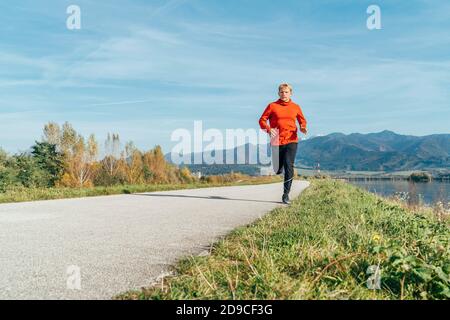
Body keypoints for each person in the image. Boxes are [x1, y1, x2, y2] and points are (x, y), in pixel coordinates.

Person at [258, 83, 307, 204]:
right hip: (276, 140)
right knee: (277, 168)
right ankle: (278, 169)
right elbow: (262, 120)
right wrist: (269, 129)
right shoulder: (272, 106)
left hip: (292, 139)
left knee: (289, 165)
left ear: (291, 93)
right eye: (282, 92)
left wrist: (302, 127)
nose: (284, 94)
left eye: (286, 92)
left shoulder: (296, 107)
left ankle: (286, 195)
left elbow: (302, 120)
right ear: (278, 93)